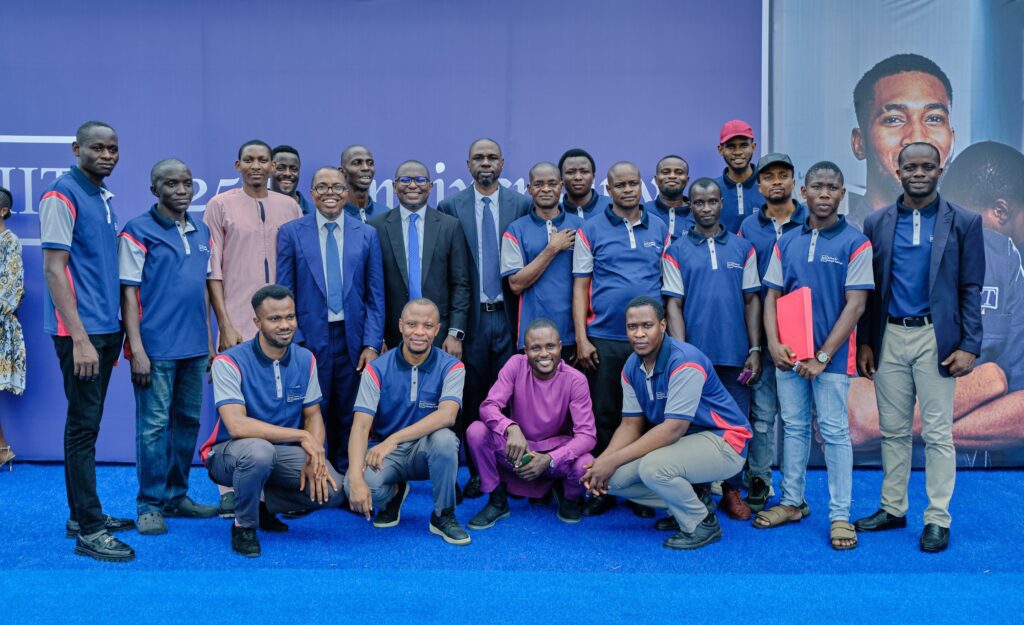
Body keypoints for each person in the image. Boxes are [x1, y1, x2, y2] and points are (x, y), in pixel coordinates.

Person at [853, 142, 984, 553]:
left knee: (938, 433)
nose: (919, 173)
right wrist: (866, 341)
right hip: (889, 335)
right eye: (911, 167)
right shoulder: (876, 222)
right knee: (893, 431)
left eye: (928, 166)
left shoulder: (964, 221)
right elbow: (869, 289)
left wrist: (970, 344)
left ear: (940, 170)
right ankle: (893, 508)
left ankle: (937, 518)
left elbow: (971, 287)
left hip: (936, 339)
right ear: (899, 171)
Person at [754, 161, 873, 552]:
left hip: (831, 361)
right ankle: (792, 502)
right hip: (789, 356)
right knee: (794, 427)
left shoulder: (855, 242)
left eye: (832, 187)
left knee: (835, 433)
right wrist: (774, 343)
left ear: (842, 194)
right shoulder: (786, 241)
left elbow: (856, 305)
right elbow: (771, 296)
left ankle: (840, 515)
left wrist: (822, 356)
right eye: (817, 186)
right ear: (803, 192)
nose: (824, 193)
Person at [582, 296, 751, 550]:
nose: (639, 333)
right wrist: (602, 463)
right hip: (684, 445)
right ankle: (690, 503)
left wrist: (613, 460)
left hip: (725, 442)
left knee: (653, 468)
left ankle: (701, 524)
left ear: (662, 326)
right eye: (632, 327)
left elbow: (673, 429)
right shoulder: (631, 366)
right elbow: (629, 425)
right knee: (612, 479)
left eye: (647, 325)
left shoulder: (685, 360)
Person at [40, 121, 135, 561]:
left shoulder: (100, 195)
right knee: (82, 428)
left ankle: (81, 516)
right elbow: (53, 268)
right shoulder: (62, 193)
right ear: (76, 148)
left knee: (87, 425)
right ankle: (90, 531)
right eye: (98, 147)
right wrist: (78, 337)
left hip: (104, 329)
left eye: (113, 148)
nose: (107, 155)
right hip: (81, 334)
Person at [202, 285, 346, 557]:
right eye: (274, 319)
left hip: (279, 454)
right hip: (228, 453)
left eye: (290, 317)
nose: (285, 325)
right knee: (259, 452)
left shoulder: (305, 358)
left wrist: (313, 453)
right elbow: (237, 426)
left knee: (333, 490)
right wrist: (302, 437)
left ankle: (261, 504)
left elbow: (313, 415)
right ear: (257, 322)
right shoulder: (228, 361)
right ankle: (244, 525)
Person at [118, 159, 218, 535]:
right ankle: (150, 503)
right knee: (153, 428)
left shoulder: (201, 230)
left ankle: (176, 496)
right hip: (155, 350)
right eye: (171, 184)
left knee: (188, 423)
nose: (180, 190)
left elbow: (203, 291)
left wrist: (209, 342)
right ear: (154, 190)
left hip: (194, 349)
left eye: (186, 183)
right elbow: (129, 294)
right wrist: (137, 350)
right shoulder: (137, 230)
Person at [204, 139, 302, 517]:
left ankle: (270, 487)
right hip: (237, 322)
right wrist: (224, 324)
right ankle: (229, 487)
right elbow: (213, 271)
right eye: (250, 160)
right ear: (238, 164)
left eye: (264, 160)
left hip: (280, 323)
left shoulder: (289, 206)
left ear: (273, 166)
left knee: (277, 401)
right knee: (233, 405)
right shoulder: (220, 205)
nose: (257, 166)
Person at [572, 161, 669, 517]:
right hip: (604, 337)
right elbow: (580, 286)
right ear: (608, 189)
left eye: (633, 183)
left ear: (641, 186)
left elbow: (667, 284)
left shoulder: (659, 227)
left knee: (650, 416)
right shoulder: (590, 229)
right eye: (620, 185)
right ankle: (604, 488)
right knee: (606, 413)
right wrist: (582, 337)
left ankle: (640, 491)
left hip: (651, 340)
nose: (628, 190)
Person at [662, 177, 761, 522]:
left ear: (722, 203)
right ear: (690, 205)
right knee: (694, 425)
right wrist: (683, 355)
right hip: (695, 358)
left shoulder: (743, 248)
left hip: (735, 355)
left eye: (712, 202)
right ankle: (699, 492)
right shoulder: (675, 250)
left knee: (736, 424)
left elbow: (751, 301)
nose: (706, 208)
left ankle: (731, 489)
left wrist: (755, 348)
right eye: (699, 202)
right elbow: (673, 305)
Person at [439, 138, 532, 499]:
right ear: (468, 165)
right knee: (474, 396)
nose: (486, 163)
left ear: (502, 163)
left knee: (513, 398)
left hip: (510, 316)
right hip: (473, 319)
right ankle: (479, 473)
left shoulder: (521, 204)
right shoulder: (451, 206)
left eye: (492, 157)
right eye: (478, 158)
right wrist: (455, 328)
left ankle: (516, 469)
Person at [276, 167, 385, 471]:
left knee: (350, 411)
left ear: (346, 192)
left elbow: (375, 296)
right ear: (312, 193)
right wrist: (295, 342)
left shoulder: (367, 234)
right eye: (322, 187)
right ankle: (314, 475)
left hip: (353, 340)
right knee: (312, 409)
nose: (330, 193)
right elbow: (285, 292)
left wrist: (372, 344)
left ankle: (349, 477)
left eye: (337, 187)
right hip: (309, 338)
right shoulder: (291, 233)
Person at [345, 298, 470, 545]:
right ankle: (395, 494)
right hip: (387, 455)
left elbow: (447, 415)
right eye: (412, 324)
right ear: (401, 325)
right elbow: (360, 426)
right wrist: (357, 479)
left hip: (426, 450)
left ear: (437, 329)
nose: (419, 332)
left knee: (445, 440)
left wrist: (394, 439)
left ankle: (443, 515)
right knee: (353, 485)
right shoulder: (376, 368)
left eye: (427, 325)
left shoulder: (453, 367)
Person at [466, 319, 596, 528]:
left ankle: (570, 499)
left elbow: (587, 436)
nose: (544, 354)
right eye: (535, 348)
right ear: (525, 351)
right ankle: (497, 500)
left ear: (560, 346)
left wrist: (551, 459)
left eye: (550, 346)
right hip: (519, 452)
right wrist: (510, 427)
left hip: (555, 454)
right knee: (476, 431)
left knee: (585, 463)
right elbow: (488, 407)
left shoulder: (576, 380)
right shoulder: (515, 365)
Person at [738, 153, 807, 511]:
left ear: (794, 180)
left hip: (805, 332)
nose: (776, 182)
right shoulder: (748, 227)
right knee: (763, 415)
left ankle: (795, 491)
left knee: (798, 419)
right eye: (769, 177)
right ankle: (759, 478)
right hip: (763, 335)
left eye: (783, 175)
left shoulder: (812, 220)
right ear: (759, 186)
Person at [370, 160, 471, 355]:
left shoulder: (450, 226)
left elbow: (461, 284)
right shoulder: (376, 227)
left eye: (420, 180)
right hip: (392, 337)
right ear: (394, 187)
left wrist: (455, 334)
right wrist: (376, 338)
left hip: (440, 335)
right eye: (405, 180)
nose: (412, 185)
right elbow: (372, 288)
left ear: (430, 187)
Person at [848, 53, 955, 225]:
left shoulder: (978, 239)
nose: (918, 138)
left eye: (934, 118)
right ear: (859, 143)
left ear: (952, 138)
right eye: (893, 120)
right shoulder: (833, 241)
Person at [501, 162, 582, 353]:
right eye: (539, 184)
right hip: (532, 337)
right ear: (529, 189)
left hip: (573, 334)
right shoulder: (515, 229)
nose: (545, 189)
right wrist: (552, 248)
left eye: (552, 184)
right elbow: (516, 284)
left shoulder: (582, 227)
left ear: (561, 187)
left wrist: (583, 337)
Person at [0, 186, 25, 472]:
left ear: (3, 211)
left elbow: (12, 287)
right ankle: (3, 449)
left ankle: (3, 448)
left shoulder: (10, 241)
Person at [714, 120, 764, 233]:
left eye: (744, 145)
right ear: (721, 150)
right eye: (731, 146)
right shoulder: (712, 190)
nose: (738, 152)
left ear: (753, 147)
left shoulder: (767, 186)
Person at [644, 155, 692, 241]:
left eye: (679, 172)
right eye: (666, 172)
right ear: (656, 180)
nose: (672, 176)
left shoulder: (697, 214)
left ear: (687, 180)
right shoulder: (644, 212)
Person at [340, 144, 388, 223]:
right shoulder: (334, 215)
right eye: (357, 163)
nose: (366, 168)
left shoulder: (386, 215)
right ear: (342, 172)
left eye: (370, 163)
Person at [559, 148, 611, 220]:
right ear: (561, 179)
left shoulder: (612, 207)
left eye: (584, 172)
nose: (578, 177)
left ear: (593, 177)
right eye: (570, 172)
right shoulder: (555, 213)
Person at [270, 145, 313, 215]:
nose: (287, 173)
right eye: (280, 168)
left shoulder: (315, 213)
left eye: (293, 169)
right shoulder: (256, 208)